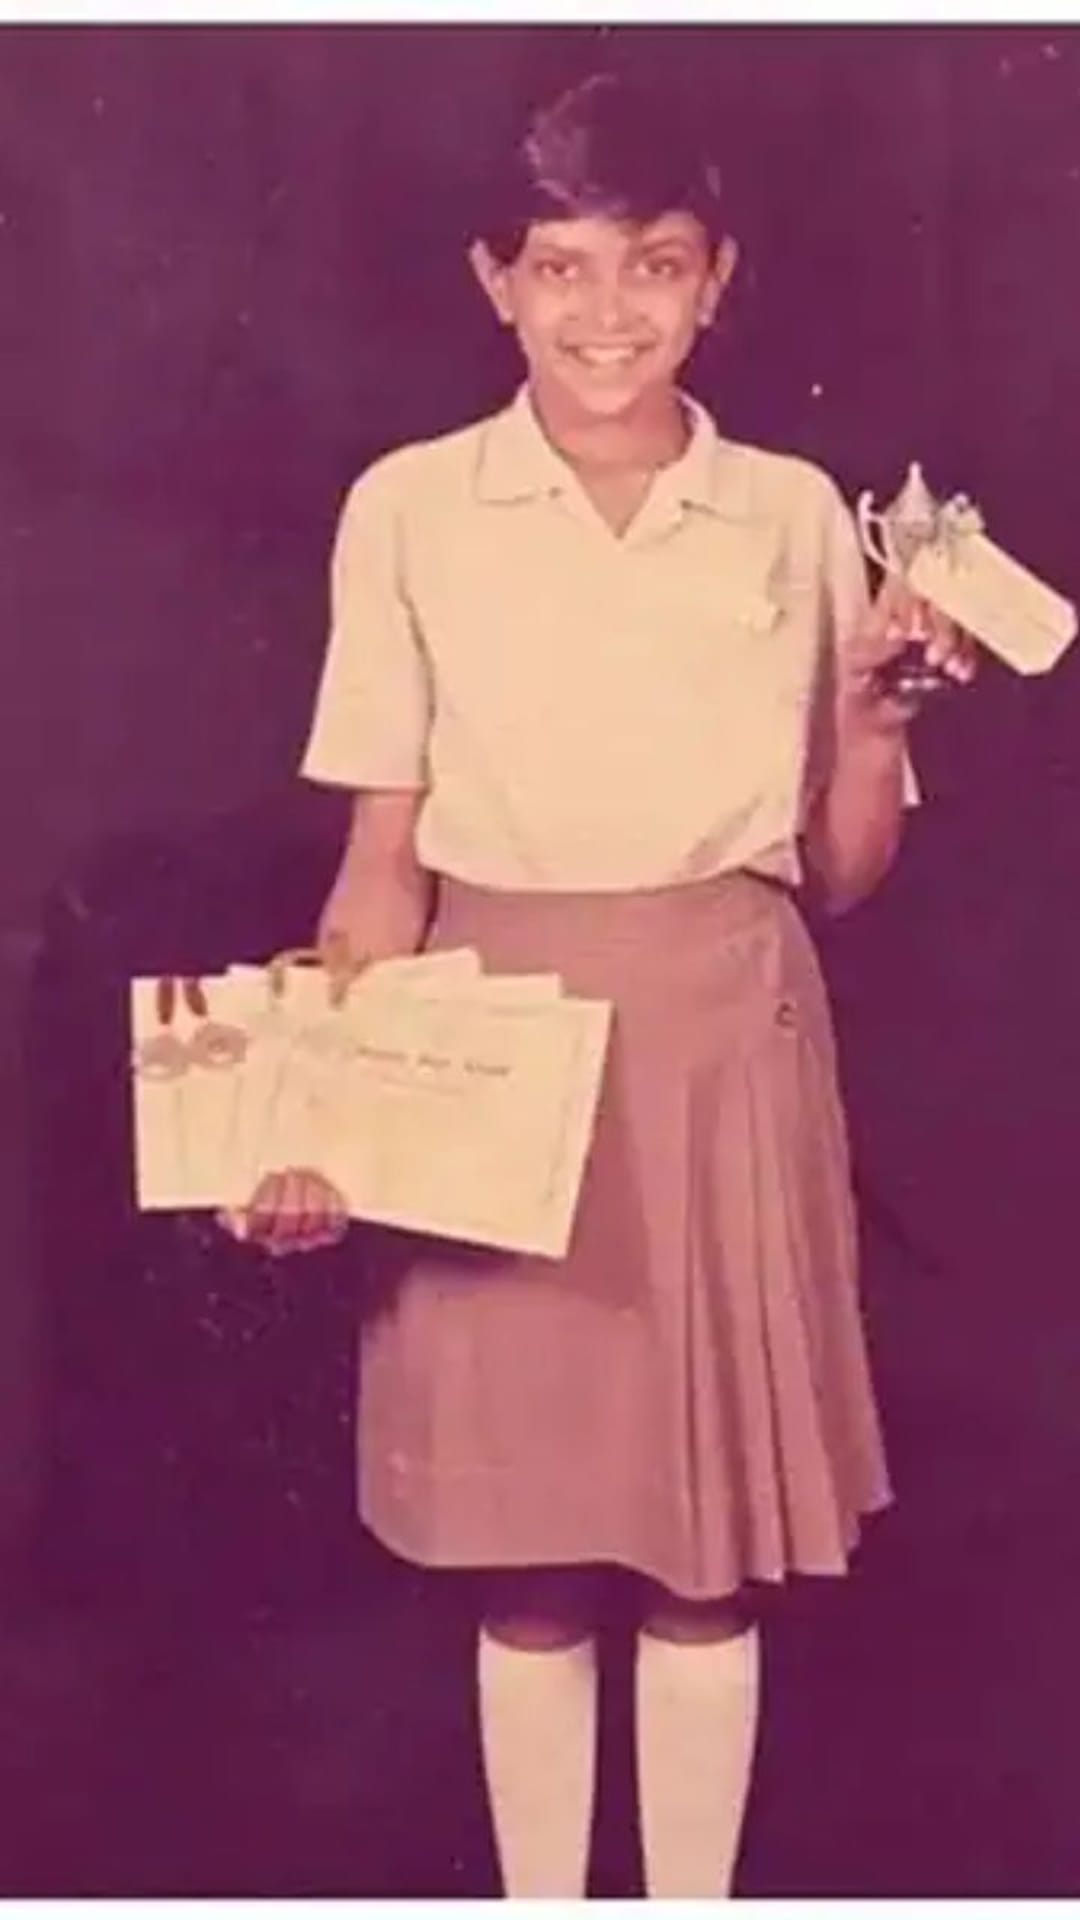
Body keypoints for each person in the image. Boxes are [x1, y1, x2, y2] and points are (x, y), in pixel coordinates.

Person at [220, 70, 975, 1899]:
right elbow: (383, 857)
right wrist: (306, 1107)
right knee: (534, 1558)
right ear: (497, 283)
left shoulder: (790, 511)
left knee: (705, 1562)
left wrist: (877, 727)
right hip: (490, 1049)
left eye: (654, 264)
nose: (608, 310)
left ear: (717, 280)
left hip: (726, 1043)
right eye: (562, 267)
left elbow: (840, 873)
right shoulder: (412, 508)